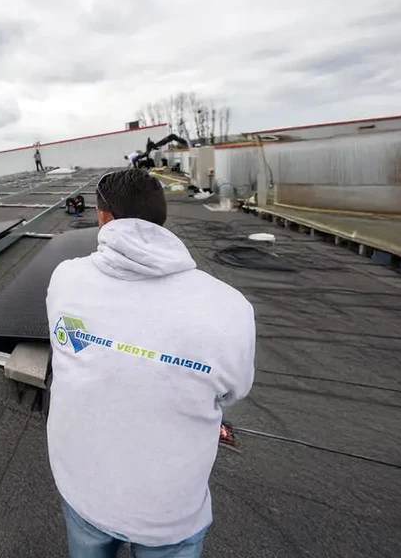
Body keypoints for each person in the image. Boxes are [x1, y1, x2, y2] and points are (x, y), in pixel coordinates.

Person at [45, 169, 256, 558]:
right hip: (169, 512)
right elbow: (233, 391)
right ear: (162, 218)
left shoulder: (64, 279)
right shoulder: (229, 308)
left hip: (83, 486)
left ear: (103, 218)